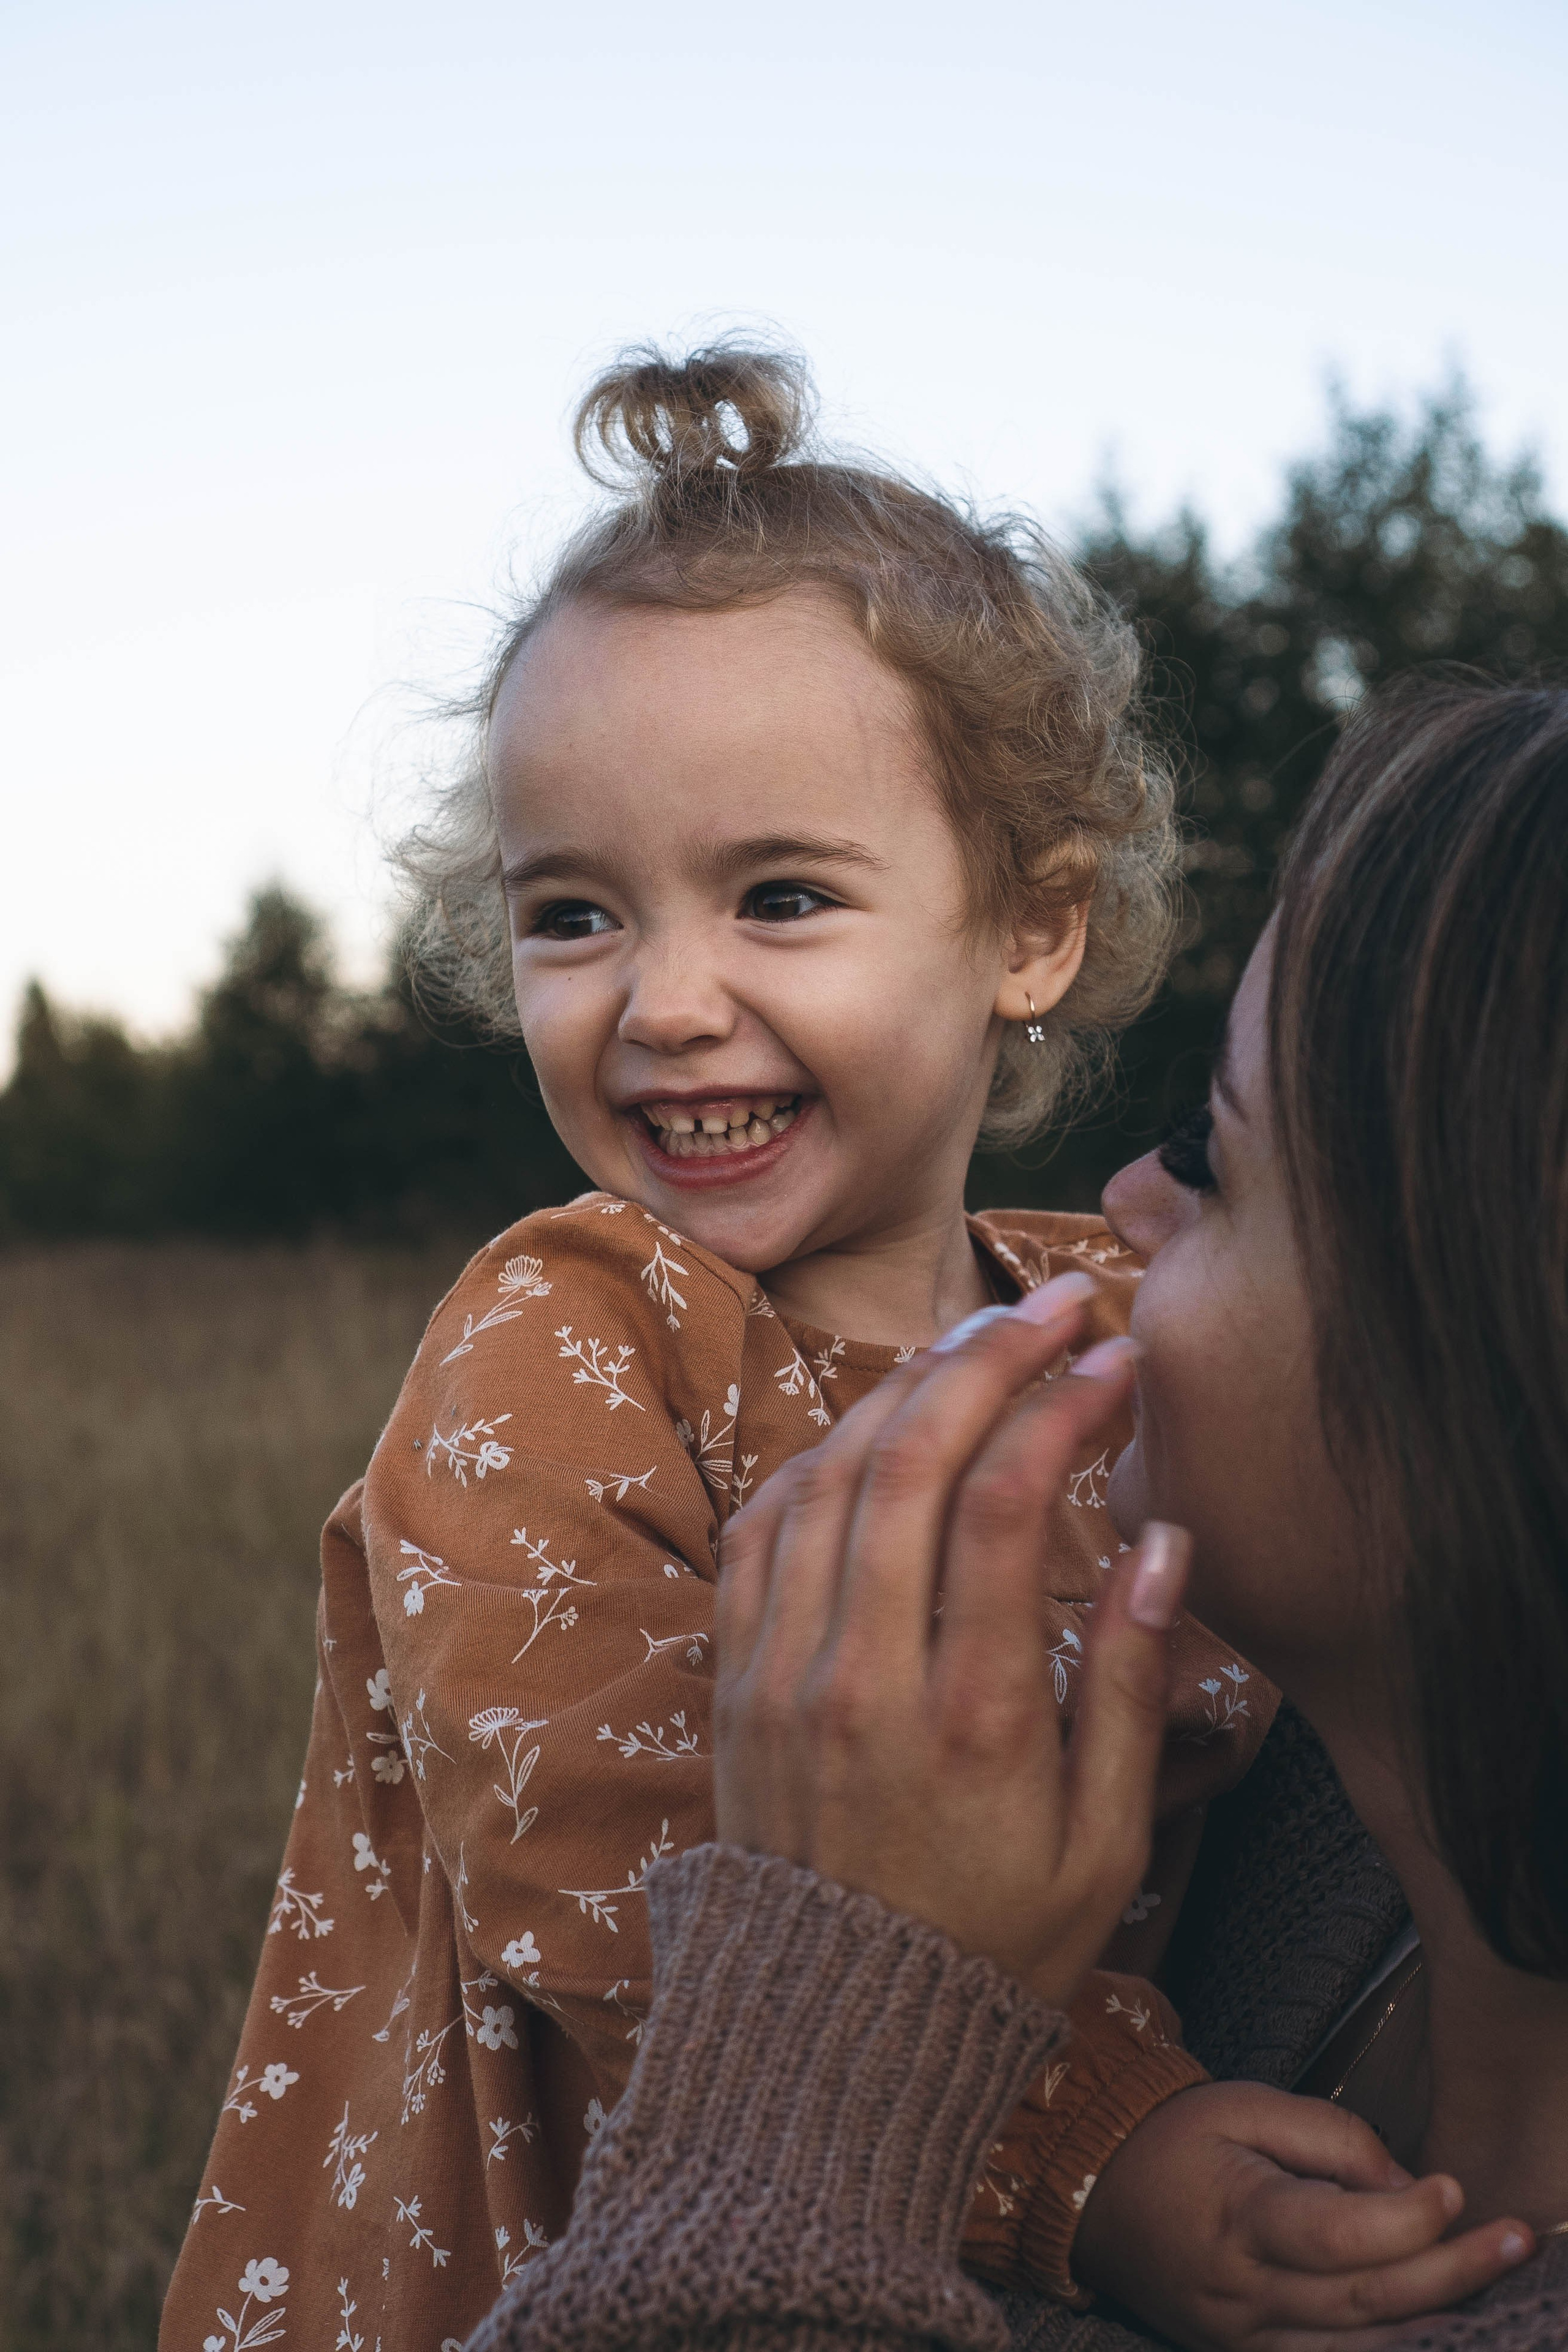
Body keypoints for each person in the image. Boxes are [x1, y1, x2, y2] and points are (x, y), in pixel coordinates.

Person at [161, 353, 1501, 2352]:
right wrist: (1099, 2151)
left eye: (780, 897)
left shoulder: (1120, 1319)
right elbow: (606, 1852)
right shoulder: (572, 1332)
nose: (667, 1000)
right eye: (575, 915)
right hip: (572, 2253)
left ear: (1028, 932)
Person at [460, 677, 1568, 2352]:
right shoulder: (1331, 1827)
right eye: (569, 913)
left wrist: (829, 2054)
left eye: (1214, 1156)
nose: (1126, 1201)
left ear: (1484, 1382)